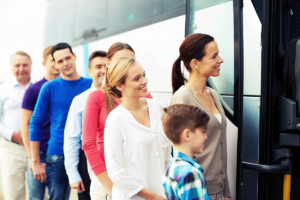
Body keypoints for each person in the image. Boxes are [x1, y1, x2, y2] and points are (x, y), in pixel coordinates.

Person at [82, 42, 152, 200]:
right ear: (109, 65)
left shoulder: (146, 98)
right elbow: (88, 144)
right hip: (106, 180)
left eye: (132, 61)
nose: (128, 66)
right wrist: (108, 186)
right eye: (122, 62)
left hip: (140, 178)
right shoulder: (96, 97)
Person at [170, 33, 231, 200]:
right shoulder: (182, 98)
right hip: (196, 191)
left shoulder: (213, 95)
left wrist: (226, 192)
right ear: (195, 63)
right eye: (214, 56)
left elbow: (220, 148)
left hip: (218, 191)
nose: (221, 60)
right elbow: (179, 155)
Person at [29, 43, 92, 200]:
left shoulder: (91, 85)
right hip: (58, 154)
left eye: (68, 58)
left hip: (87, 152)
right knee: (57, 198)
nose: (66, 63)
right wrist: (35, 161)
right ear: (55, 64)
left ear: (74, 56)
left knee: (89, 197)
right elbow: (35, 122)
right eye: (60, 61)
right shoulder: (49, 88)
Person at [103, 57, 172, 200]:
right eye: (137, 78)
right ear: (119, 85)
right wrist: (152, 197)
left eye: (144, 75)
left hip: (163, 195)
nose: (144, 81)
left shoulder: (158, 108)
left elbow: (167, 155)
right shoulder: (115, 120)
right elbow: (116, 171)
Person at [64, 51, 107, 200]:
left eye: (107, 66)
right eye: (98, 66)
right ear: (90, 71)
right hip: (87, 160)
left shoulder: (121, 97)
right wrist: (73, 174)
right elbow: (71, 138)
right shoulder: (80, 100)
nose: (103, 70)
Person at [21, 46, 60, 200]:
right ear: (44, 63)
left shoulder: (66, 87)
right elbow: (25, 124)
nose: (57, 64)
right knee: (36, 198)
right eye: (53, 60)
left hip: (60, 153)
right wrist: (33, 158)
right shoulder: (33, 90)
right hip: (40, 153)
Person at [0, 51, 34, 200]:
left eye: (25, 65)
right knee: (14, 194)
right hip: (12, 149)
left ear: (31, 66)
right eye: (17, 65)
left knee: (40, 193)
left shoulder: (40, 87)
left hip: (36, 147)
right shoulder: (3, 90)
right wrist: (12, 134)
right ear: (11, 67)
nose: (21, 69)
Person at [161, 104, 211, 200]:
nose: (205, 137)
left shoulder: (172, 167)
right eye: (203, 132)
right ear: (187, 135)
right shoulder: (190, 174)